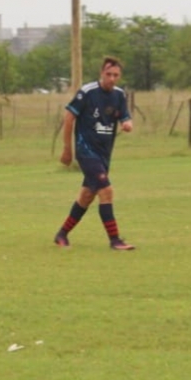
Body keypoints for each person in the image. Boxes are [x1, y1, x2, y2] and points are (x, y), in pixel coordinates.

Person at [54, 56, 135, 250]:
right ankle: (115, 240)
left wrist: (127, 123)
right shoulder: (87, 93)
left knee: (87, 196)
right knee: (106, 190)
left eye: (116, 75)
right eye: (109, 74)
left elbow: (125, 116)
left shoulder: (119, 95)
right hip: (86, 151)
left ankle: (61, 234)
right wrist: (67, 149)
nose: (112, 78)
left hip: (104, 154)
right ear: (102, 73)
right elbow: (69, 117)